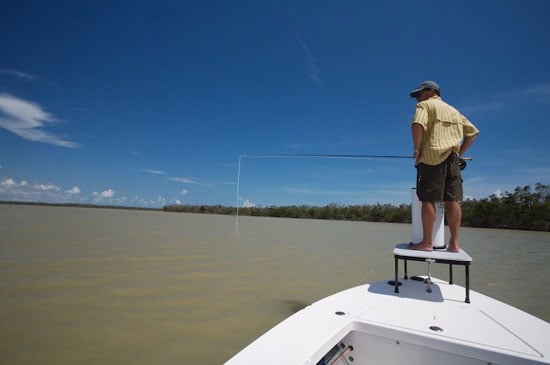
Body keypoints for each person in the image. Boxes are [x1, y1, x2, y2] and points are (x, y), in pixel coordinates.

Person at [409, 81, 479, 252]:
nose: (417, 98)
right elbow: (473, 133)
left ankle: (427, 243)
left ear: (431, 91)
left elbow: (417, 125)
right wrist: (459, 153)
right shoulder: (454, 111)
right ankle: (454, 244)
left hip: (431, 158)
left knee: (428, 198)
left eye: (419, 94)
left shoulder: (425, 106)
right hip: (453, 158)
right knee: (452, 200)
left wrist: (417, 150)